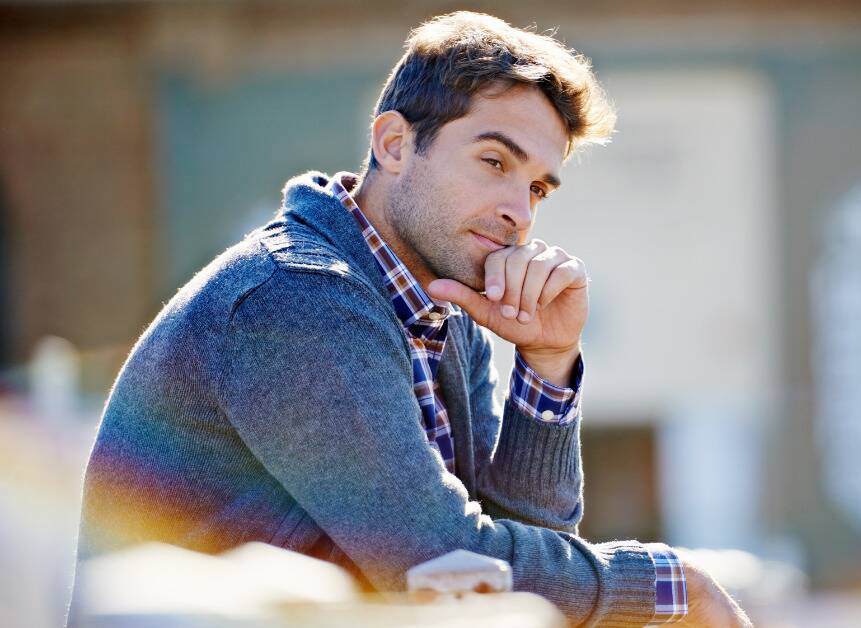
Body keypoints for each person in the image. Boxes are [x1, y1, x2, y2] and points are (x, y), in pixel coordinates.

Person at [73, 11, 750, 627]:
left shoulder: (443, 311)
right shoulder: (296, 299)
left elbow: (502, 590)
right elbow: (437, 561)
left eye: (537, 186)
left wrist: (546, 369)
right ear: (394, 145)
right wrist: (668, 586)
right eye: (494, 162)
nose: (519, 209)